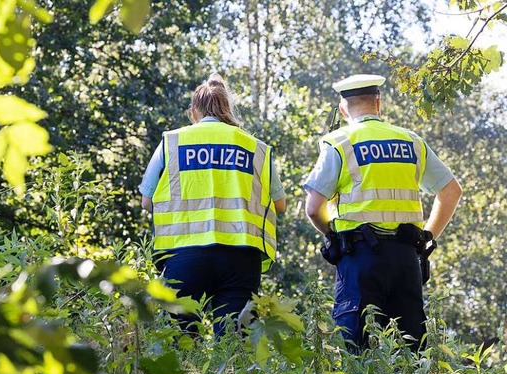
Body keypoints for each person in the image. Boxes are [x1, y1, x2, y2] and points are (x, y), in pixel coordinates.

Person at [303, 74, 462, 351]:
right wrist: (427, 237)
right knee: (410, 351)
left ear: (343, 108)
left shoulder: (339, 143)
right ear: (379, 103)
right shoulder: (411, 141)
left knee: (356, 349)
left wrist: (333, 236)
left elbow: (313, 209)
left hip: (359, 258)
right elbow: (451, 191)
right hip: (405, 258)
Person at [139, 74, 287, 336]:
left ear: (193, 111)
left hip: (183, 254)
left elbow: (147, 201)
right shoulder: (257, 148)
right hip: (241, 256)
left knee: (179, 342)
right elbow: (280, 204)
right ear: (227, 109)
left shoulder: (172, 141)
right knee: (234, 343)